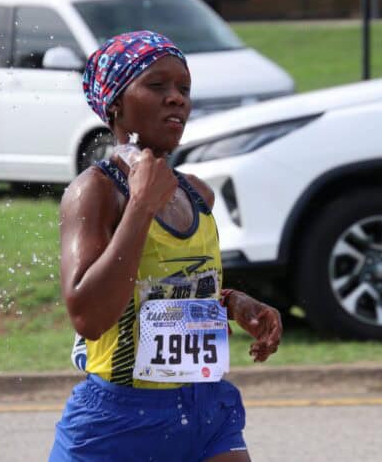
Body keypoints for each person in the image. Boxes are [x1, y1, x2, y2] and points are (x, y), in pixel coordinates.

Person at [50, 30, 282, 462]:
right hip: (119, 420)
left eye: (184, 89)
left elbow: (162, 290)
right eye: (157, 85)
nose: (176, 98)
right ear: (115, 103)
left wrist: (231, 302)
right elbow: (89, 316)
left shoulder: (198, 194)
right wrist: (140, 207)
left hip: (205, 410)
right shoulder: (96, 192)